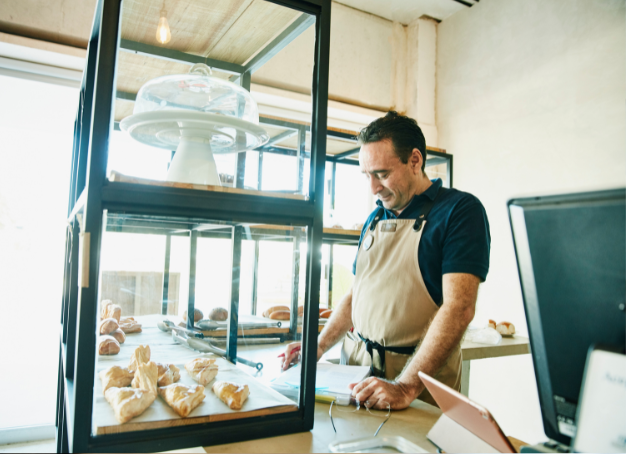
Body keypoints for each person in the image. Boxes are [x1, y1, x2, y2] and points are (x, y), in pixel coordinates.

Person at [281, 111, 491, 410]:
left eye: (381, 174)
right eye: (367, 176)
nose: (373, 188)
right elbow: (357, 295)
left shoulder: (459, 211)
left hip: (416, 384)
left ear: (415, 160)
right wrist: (318, 345)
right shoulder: (375, 218)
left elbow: (459, 308)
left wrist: (405, 386)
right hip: (356, 377)